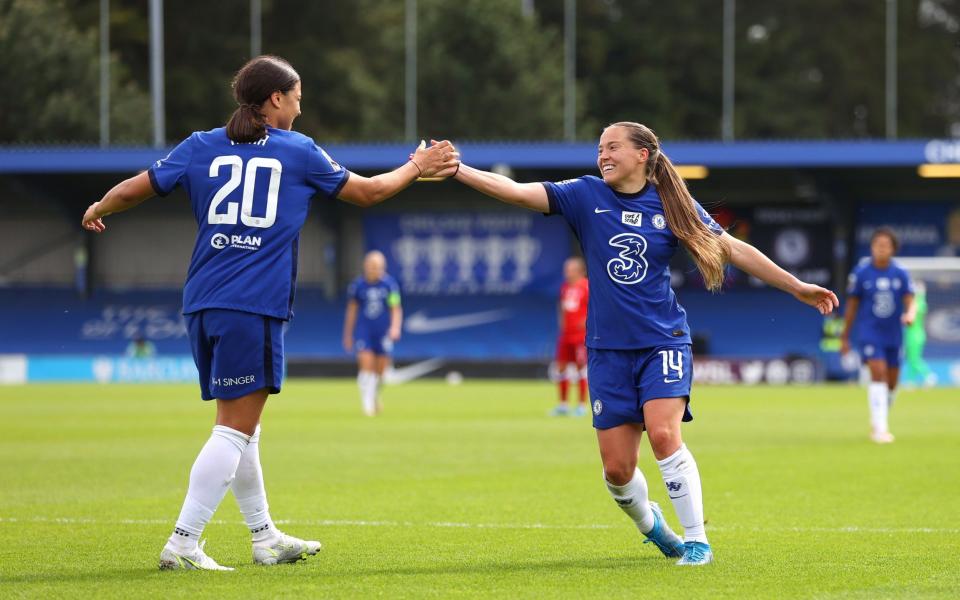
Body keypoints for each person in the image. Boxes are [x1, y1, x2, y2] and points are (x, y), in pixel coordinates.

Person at [81, 55, 458, 571]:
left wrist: (100, 207)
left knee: (244, 428)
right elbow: (370, 192)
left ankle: (264, 538)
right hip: (251, 304)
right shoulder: (298, 152)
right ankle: (183, 543)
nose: (301, 110)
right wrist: (417, 165)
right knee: (233, 430)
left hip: (203, 302)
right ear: (275, 99)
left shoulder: (199, 145)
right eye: (298, 98)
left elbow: (134, 188)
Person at [445, 122, 838, 566]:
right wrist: (459, 169)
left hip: (661, 339)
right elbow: (516, 191)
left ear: (642, 155)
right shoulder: (584, 194)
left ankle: (697, 540)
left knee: (665, 434)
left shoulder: (672, 204)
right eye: (600, 149)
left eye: (613, 147)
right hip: (607, 349)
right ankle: (653, 526)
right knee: (616, 471)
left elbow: (732, 249)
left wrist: (795, 286)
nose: (603, 155)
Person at [841, 227, 916, 443]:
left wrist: (910, 314)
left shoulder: (900, 273)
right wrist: (844, 337)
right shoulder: (862, 273)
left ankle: (879, 417)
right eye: (877, 245)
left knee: (891, 383)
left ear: (893, 249)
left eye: (886, 245)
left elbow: (911, 300)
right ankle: (880, 429)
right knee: (878, 373)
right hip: (870, 332)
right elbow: (852, 307)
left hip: (893, 334)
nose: (881, 249)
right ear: (872, 247)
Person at [343, 250, 402, 416]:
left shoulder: (389, 285)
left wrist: (395, 327)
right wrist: (348, 334)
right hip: (364, 331)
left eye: (377, 266)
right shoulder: (358, 286)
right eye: (371, 266)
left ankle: (374, 395)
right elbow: (352, 311)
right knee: (366, 365)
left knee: (381, 372)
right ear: (365, 266)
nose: (374, 269)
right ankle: (367, 404)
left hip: (383, 332)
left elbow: (395, 308)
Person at [550, 256, 590, 416]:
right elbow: (562, 307)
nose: (567, 272)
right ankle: (563, 404)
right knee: (561, 367)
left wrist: (586, 321)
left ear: (579, 270)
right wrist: (562, 323)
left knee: (581, 368)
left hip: (580, 336)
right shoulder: (565, 287)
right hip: (566, 335)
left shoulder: (586, 286)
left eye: (570, 269)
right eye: (566, 269)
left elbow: (594, 306)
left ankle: (581, 405)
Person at [902, 280, 935, 387]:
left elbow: (910, 320)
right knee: (911, 359)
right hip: (916, 334)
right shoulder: (922, 303)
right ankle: (911, 381)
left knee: (914, 359)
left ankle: (929, 375)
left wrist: (903, 318)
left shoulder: (916, 303)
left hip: (914, 335)